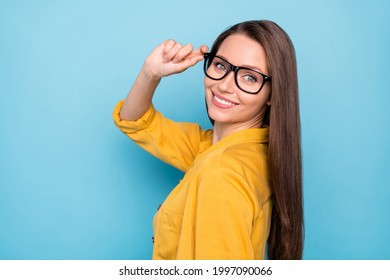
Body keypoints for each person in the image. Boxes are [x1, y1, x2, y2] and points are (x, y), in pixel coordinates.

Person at [112, 20, 303, 260]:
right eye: (221, 66)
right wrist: (151, 73)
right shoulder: (226, 148)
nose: (224, 85)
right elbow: (136, 120)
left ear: (273, 95)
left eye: (250, 78)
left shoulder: (221, 172)